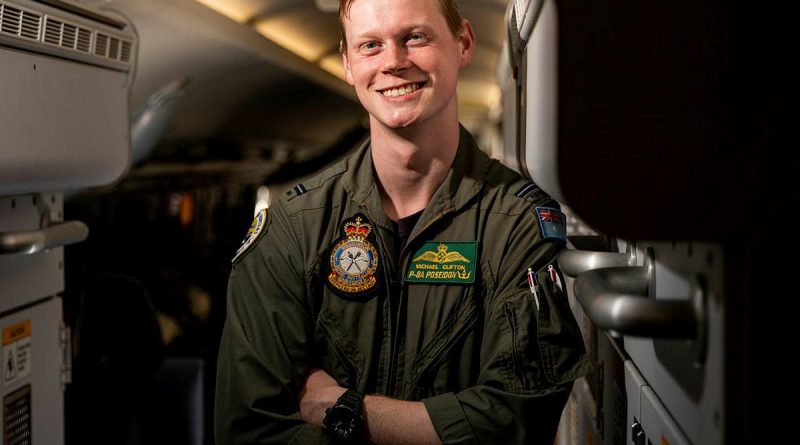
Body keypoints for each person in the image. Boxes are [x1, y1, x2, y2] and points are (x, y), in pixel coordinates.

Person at [214, 0, 591, 443]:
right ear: (348, 63)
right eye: (370, 45)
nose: (393, 62)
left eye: (415, 37)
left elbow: (514, 420)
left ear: (464, 42)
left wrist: (345, 409)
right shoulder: (293, 227)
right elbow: (248, 430)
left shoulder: (516, 224)